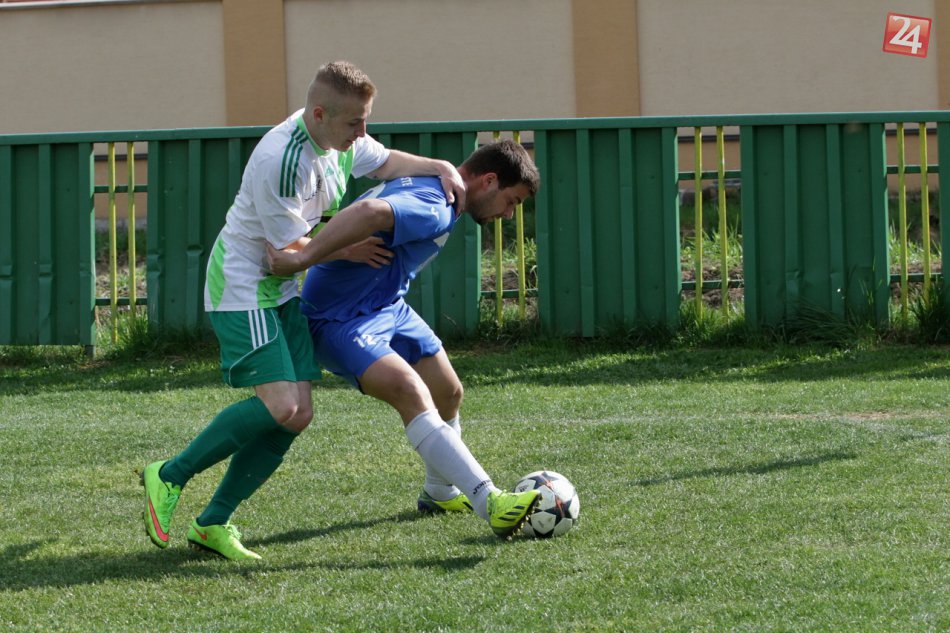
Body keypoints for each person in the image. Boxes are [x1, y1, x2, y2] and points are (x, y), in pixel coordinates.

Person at [140, 60, 467, 561]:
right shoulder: (282, 158)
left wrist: (439, 166)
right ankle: (169, 474)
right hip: (245, 287)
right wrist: (349, 247)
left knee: (298, 416)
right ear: (319, 114)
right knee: (281, 407)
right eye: (354, 123)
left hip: (284, 289)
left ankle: (212, 523)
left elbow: (385, 163)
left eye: (365, 120)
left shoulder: (341, 138)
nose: (362, 132)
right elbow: (285, 253)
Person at [266, 139, 543, 539]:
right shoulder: (437, 207)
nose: (509, 214)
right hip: (339, 319)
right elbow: (369, 211)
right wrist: (304, 257)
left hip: (385, 306)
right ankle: (492, 501)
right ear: (489, 181)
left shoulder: (436, 184)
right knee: (410, 391)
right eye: (511, 201)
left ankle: (439, 493)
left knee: (448, 391)